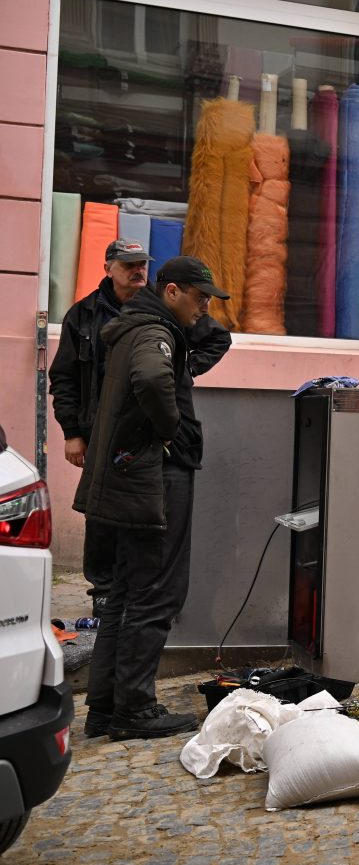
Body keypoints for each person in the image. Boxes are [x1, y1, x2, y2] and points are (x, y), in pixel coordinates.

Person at [74, 256, 231, 740]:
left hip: (132, 478)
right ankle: (135, 709)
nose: (205, 308)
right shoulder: (154, 333)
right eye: (199, 298)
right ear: (171, 291)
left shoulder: (141, 325)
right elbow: (150, 379)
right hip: (156, 480)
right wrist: (169, 430)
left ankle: (105, 708)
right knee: (156, 593)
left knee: (123, 593)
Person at [49, 239, 231, 616]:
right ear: (108, 268)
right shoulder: (83, 315)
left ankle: (131, 597)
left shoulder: (167, 308)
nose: (138, 271)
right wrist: (72, 432)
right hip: (99, 428)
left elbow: (217, 338)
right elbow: (64, 377)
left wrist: (183, 370)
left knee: (143, 515)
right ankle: (104, 591)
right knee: (102, 515)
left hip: (143, 431)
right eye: (128, 264)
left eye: (142, 264)